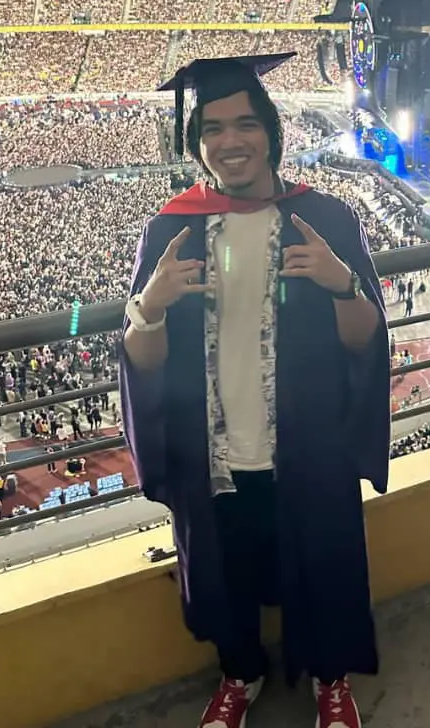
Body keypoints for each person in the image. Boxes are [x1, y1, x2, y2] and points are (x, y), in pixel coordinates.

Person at [120, 53, 390, 728]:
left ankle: (331, 680)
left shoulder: (325, 217)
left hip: (306, 441)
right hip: (211, 452)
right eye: (212, 129)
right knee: (224, 577)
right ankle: (240, 674)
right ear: (197, 143)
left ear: (271, 132)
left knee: (323, 561)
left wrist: (340, 283)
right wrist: (149, 307)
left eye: (244, 124)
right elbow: (140, 362)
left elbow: (366, 341)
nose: (229, 141)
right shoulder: (169, 230)